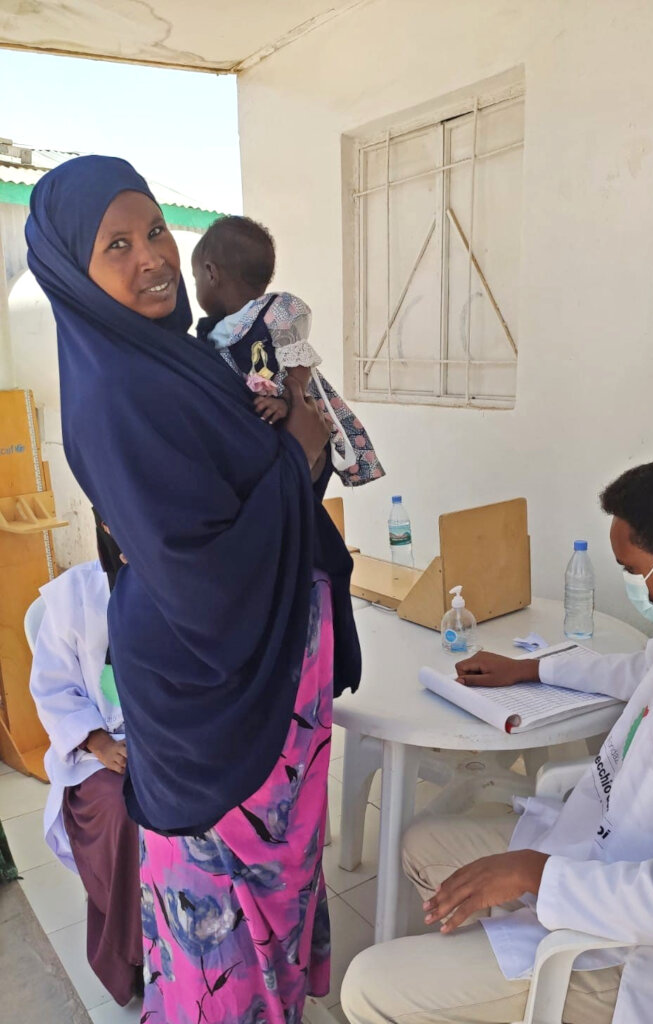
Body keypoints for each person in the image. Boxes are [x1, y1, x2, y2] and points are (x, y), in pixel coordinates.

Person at [26, 155, 361, 1024]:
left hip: (262, 679)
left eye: (156, 233)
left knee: (258, 925)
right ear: (75, 269)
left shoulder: (184, 360)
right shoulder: (119, 392)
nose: (153, 258)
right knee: (221, 935)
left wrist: (296, 447)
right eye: (118, 245)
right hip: (218, 701)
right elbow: (207, 578)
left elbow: (253, 489)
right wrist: (301, 448)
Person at [342, 457, 653, 1024]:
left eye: (633, 570)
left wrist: (535, 874)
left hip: (632, 957)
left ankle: (499, 981)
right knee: (421, 842)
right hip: (589, 851)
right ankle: (479, 977)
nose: (634, 584)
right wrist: (529, 670)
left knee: (366, 985)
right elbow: (627, 671)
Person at [29, 512, 142, 1005]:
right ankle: (131, 956)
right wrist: (99, 742)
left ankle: (193, 946)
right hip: (99, 755)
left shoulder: (178, 579)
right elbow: (52, 688)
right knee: (125, 814)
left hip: (167, 743)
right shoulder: (72, 596)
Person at [192, 215, 385, 485]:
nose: (196, 286)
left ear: (211, 273)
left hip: (291, 419)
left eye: (195, 278)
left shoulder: (275, 311)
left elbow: (299, 361)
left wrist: (287, 400)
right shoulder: (214, 334)